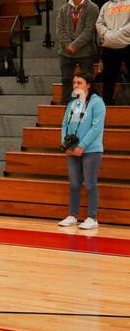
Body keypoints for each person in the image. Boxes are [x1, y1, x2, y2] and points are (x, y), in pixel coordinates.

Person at [58, 71, 105, 230]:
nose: (76, 86)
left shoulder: (97, 102)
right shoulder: (72, 104)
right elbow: (64, 125)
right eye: (74, 83)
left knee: (90, 184)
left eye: (79, 83)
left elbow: (96, 127)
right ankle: (73, 215)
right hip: (72, 150)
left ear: (89, 85)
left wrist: (82, 146)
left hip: (91, 150)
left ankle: (92, 217)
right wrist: (65, 144)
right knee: (74, 184)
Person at [56, 0, 99, 104]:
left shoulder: (92, 8)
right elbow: (59, 30)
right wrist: (68, 45)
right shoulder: (64, 9)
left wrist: (74, 45)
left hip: (85, 52)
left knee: (87, 80)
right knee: (66, 80)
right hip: (65, 52)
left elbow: (89, 31)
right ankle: (66, 106)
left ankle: (89, 105)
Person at [96, 0, 130, 102]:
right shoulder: (106, 5)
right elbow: (99, 23)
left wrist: (118, 34)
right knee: (108, 79)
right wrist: (107, 34)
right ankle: (107, 106)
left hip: (127, 45)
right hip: (110, 46)